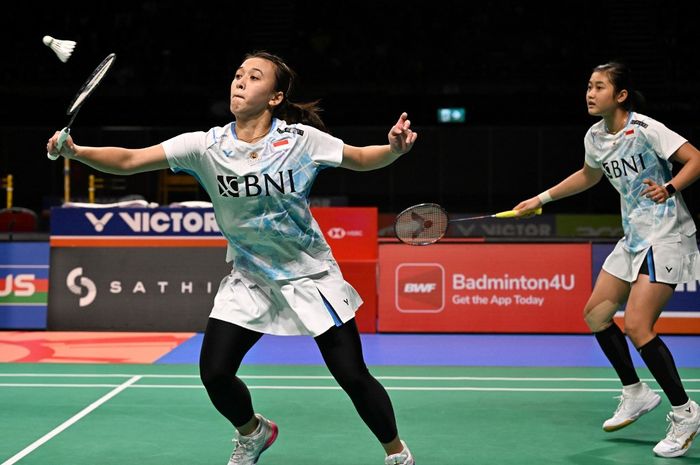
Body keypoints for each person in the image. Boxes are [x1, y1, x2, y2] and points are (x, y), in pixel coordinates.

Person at [47, 51, 417, 465]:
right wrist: (77, 152)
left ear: (275, 97)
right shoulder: (206, 146)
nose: (239, 81)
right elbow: (132, 159)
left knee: (351, 375)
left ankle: (397, 453)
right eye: (238, 74)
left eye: (254, 77)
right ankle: (253, 432)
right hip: (251, 277)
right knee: (215, 372)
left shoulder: (299, 141)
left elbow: (361, 157)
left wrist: (393, 149)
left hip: (310, 275)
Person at [513, 61, 700, 458]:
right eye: (588, 86)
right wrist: (540, 199)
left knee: (636, 325)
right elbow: (589, 175)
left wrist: (669, 187)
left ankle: (685, 413)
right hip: (633, 236)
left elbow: (696, 159)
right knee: (596, 314)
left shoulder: (647, 129)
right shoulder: (595, 136)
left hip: (666, 235)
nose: (589, 93)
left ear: (620, 95)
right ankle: (634, 391)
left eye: (599, 87)